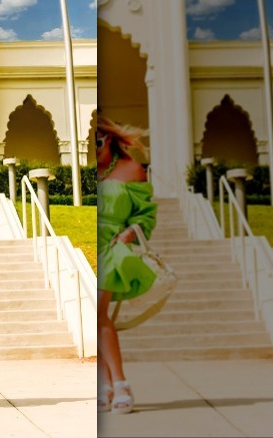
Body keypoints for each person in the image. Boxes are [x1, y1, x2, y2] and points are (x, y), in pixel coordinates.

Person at [96, 116, 158, 415]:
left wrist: (127, 234)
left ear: (110, 139)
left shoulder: (132, 169)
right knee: (97, 315)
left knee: (98, 311)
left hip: (114, 246)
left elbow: (146, 216)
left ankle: (120, 382)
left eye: (98, 141)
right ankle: (107, 385)